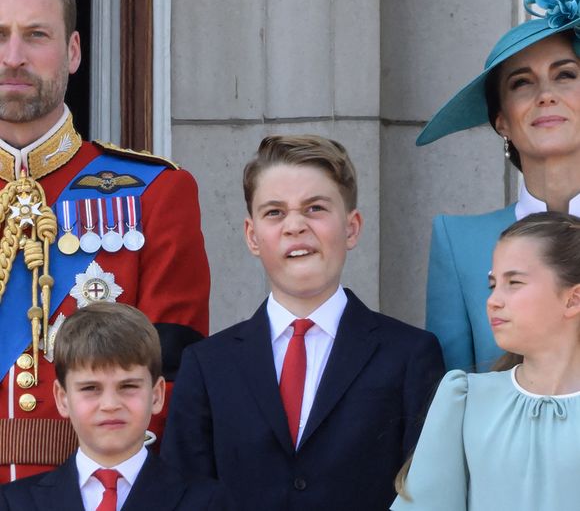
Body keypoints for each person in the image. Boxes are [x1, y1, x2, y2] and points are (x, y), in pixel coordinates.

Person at [0, 0, 210, 483]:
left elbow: (174, 378)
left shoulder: (155, 193)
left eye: (36, 35)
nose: (14, 56)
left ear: (73, 52)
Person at [161, 134, 444, 511]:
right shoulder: (207, 365)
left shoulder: (409, 354)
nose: (294, 226)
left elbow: (427, 492)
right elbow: (183, 495)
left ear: (352, 227)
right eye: (274, 212)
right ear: (252, 236)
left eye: (315, 208)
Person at [417, 0, 580, 371]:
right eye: (522, 83)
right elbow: (452, 395)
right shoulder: (458, 243)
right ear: (501, 120)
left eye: (566, 74)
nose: (545, 94)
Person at [391, 211, 580, 510]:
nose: (493, 300)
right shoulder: (466, 399)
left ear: (573, 299)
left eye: (514, 282)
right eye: (493, 285)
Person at [0, 303, 232, 510]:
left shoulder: (208, 502)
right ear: (62, 399)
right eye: (90, 388)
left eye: (128, 386)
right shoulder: (14, 503)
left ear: (157, 395)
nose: (110, 405)